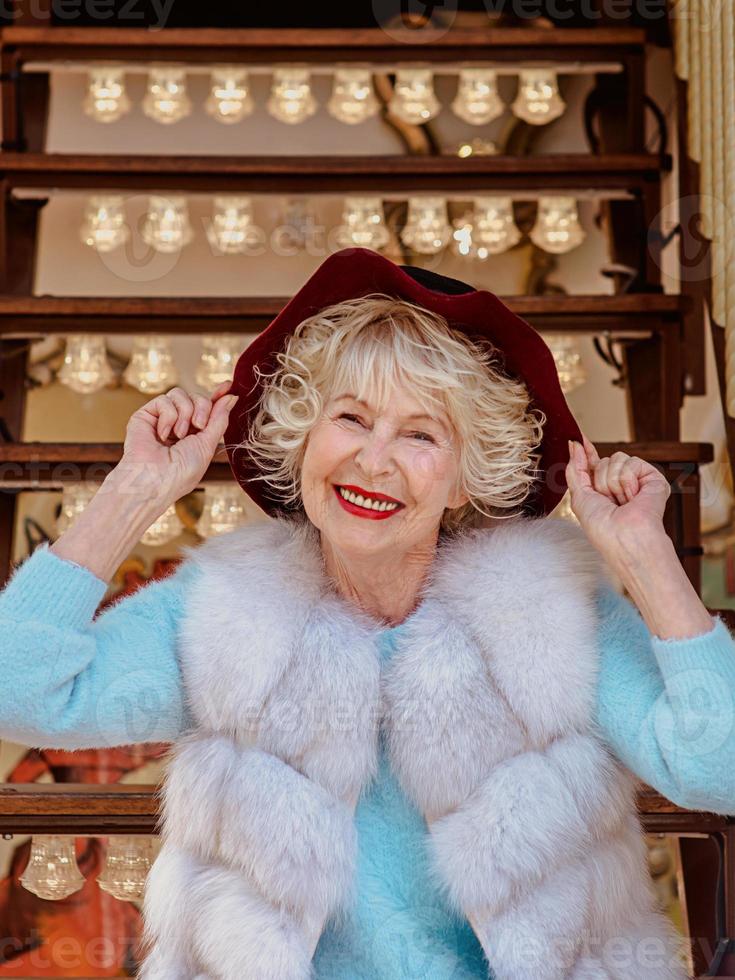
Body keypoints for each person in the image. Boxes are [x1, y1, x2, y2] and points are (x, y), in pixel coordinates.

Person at [0, 247, 733, 980]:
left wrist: (644, 557)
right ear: (302, 441)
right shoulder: (225, 612)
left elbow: (719, 769)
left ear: (461, 482)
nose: (374, 461)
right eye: (350, 418)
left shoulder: (551, 620)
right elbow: (18, 691)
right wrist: (133, 491)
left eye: (421, 434)